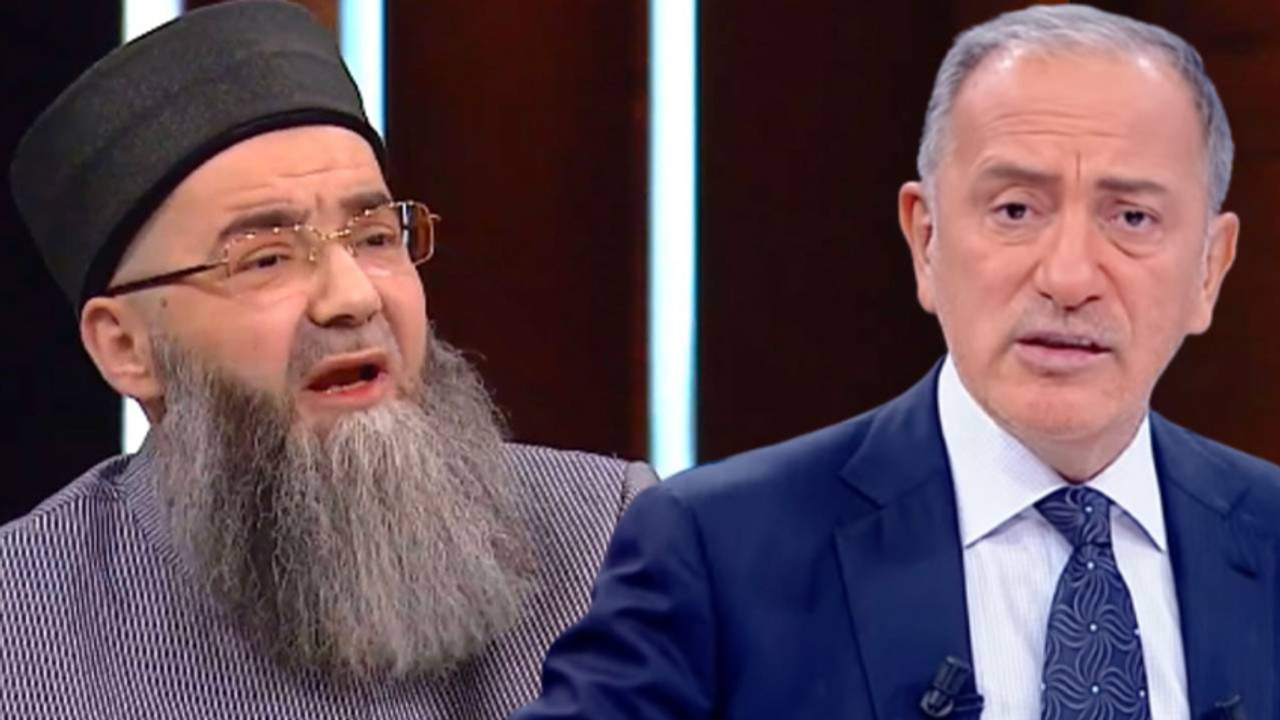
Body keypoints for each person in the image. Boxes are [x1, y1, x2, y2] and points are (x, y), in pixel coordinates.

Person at [514, 5, 1280, 720]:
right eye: (1015, 210)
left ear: (1209, 270)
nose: (1070, 278)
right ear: (926, 241)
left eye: (1133, 218)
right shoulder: (716, 553)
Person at [0, 2, 655, 717]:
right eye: (265, 259)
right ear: (126, 347)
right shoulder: (22, 623)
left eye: (375, 238)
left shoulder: (608, 539)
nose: (352, 297)